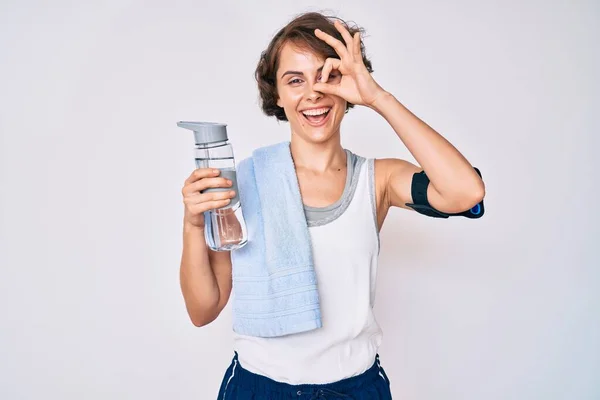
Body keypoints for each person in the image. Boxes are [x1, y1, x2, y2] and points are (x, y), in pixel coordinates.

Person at [179, 11, 486, 399]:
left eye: (329, 76)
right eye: (295, 80)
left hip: (355, 388)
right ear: (276, 93)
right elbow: (203, 310)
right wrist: (192, 226)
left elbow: (467, 191)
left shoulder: (379, 180)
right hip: (257, 387)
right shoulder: (244, 183)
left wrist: (378, 98)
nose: (314, 93)